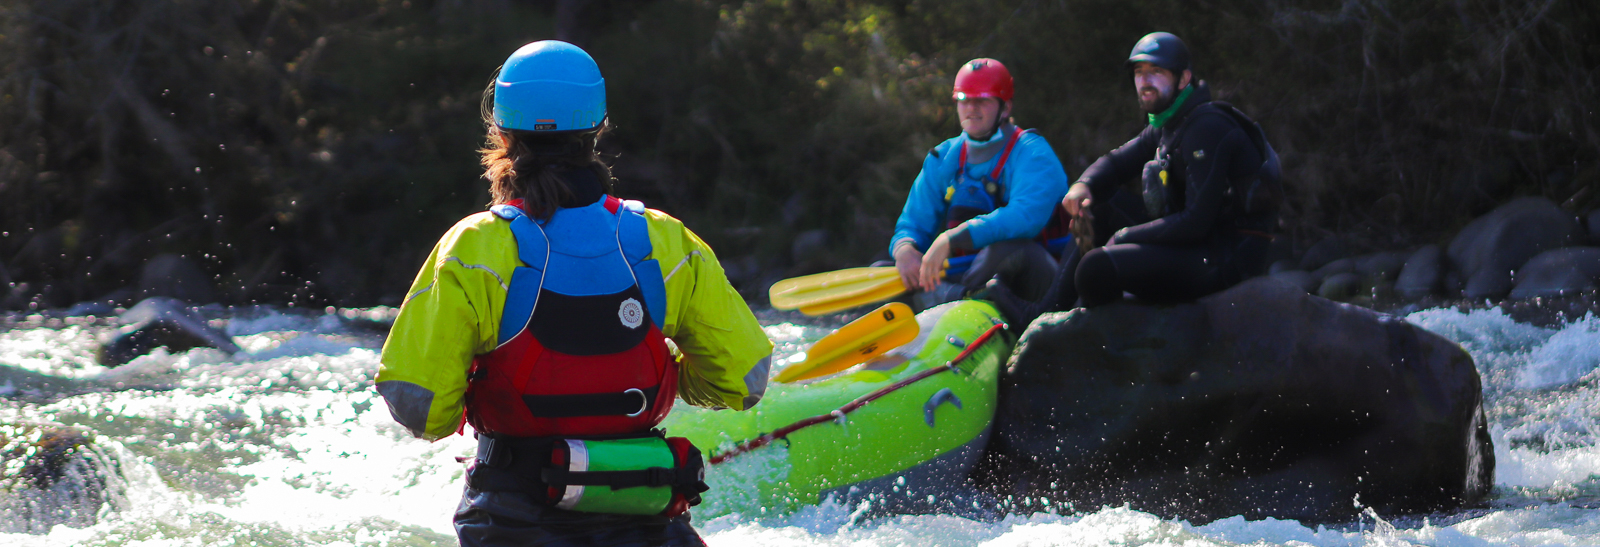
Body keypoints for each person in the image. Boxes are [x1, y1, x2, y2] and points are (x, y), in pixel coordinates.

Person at [374, 40, 773, 547]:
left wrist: (480, 391)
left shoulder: (473, 246)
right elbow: (744, 378)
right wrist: (669, 374)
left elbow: (420, 405)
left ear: (500, 130)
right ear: (598, 127)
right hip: (643, 506)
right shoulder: (665, 239)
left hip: (514, 515)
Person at [990, 32, 1282, 324]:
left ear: (1183, 79)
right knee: (1098, 206)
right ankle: (1045, 313)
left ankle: (1092, 333)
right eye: (1139, 73)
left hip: (1225, 259)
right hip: (1197, 245)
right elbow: (1116, 163)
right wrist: (1083, 186)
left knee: (1097, 268)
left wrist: (1123, 237)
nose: (1145, 82)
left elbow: (1196, 223)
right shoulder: (1170, 122)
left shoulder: (1206, 127)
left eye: (1156, 72)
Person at [889, 58, 1072, 308]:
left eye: (982, 100)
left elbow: (1025, 218)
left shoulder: (1033, 153)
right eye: (965, 99)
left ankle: (954, 301)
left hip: (1034, 277)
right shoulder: (943, 158)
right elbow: (913, 223)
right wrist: (905, 249)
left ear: (1005, 108)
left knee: (1008, 250)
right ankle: (955, 301)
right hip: (968, 276)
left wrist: (952, 239)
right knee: (890, 270)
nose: (971, 108)